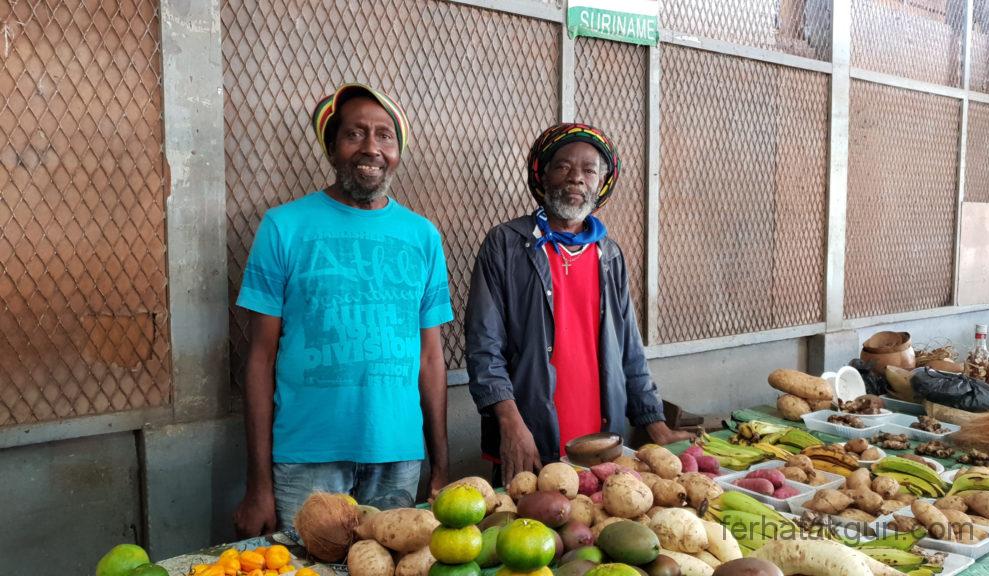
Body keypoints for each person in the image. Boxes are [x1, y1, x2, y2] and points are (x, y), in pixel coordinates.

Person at [233, 83, 453, 536]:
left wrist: (442, 467)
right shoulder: (282, 227)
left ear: (397, 151)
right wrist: (258, 485)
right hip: (306, 459)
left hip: (398, 458)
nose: (371, 148)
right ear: (333, 149)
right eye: (355, 134)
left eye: (384, 136)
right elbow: (260, 358)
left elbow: (431, 359)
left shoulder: (423, 237)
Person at [465, 123, 693, 488]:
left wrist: (656, 424)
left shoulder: (609, 254)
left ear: (601, 183)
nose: (576, 178)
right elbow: (484, 347)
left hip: (602, 447)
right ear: (543, 175)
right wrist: (510, 422)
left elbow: (630, 351)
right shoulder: (506, 245)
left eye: (589, 170)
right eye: (563, 167)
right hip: (531, 441)